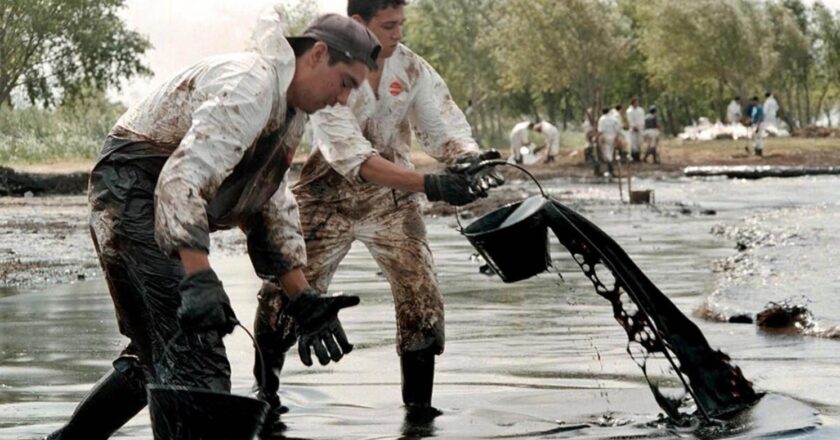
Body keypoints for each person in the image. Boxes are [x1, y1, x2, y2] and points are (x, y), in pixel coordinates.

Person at [46, 10, 380, 440]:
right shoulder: (251, 85)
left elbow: (268, 203)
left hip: (153, 195)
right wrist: (199, 278)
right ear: (318, 55)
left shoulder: (289, 110)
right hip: (131, 188)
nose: (343, 100)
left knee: (160, 351)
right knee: (197, 357)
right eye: (346, 83)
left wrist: (302, 299)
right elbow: (182, 178)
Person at [251, 0, 505, 430]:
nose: (398, 34)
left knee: (421, 296)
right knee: (285, 294)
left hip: (393, 200)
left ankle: (419, 415)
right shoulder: (332, 73)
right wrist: (433, 184)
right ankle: (266, 395)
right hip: (325, 193)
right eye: (388, 26)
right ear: (358, 25)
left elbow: (444, 129)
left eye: (402, 24)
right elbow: (352, 158)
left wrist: (468, 159)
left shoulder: (411, 69)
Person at [597, 107, 621, 175]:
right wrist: (617, 138)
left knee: (607, 154)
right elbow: (617, 129)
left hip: (605, 137)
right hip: (613, 137)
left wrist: (597, 137)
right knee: (611, 152)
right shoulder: (614, 119)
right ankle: (610, 169)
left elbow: (600, 130)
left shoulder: (602, 119)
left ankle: (610, 169)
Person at [626, 98, 645, 162]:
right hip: (633, 129)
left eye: (637, 102)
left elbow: (642, 119)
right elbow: (630, 120)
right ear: (633, 103)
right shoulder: (629, 111)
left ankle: (638, 157)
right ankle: (634, 157)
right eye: (635, 102)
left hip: (640, 128)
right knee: (633, 144)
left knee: (639, 143)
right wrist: (633, 127)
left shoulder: (641, 110)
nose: (637, 104)